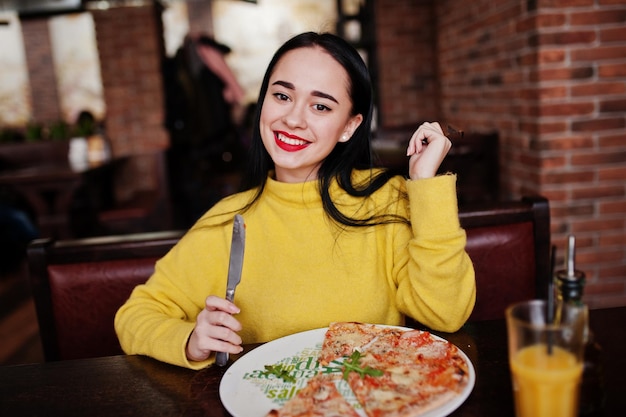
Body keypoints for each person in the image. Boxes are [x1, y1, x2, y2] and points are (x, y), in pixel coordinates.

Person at [115, 32, 476, 369]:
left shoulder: (385, 199)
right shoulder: (228, 221)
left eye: (320, 106)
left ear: (350, 126)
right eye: (282, 96)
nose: (292, 118)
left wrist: (425, 184)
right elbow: (135, 315)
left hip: (374, 401)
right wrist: (191, 340)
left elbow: (445, 313)